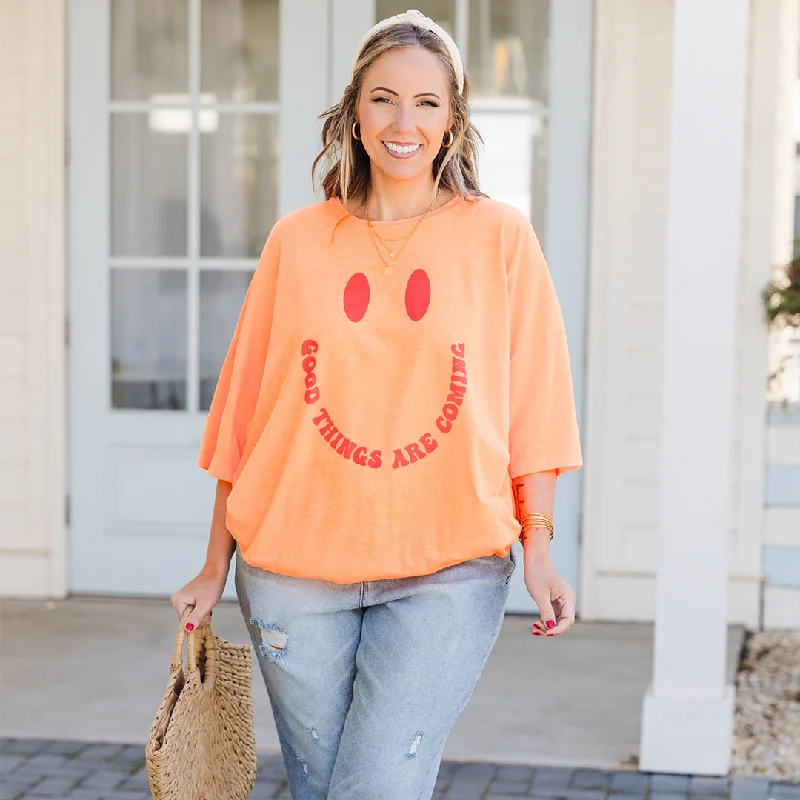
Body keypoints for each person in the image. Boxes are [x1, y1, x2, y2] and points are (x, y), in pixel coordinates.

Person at [171, 9, 582, 799]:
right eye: (384, 99)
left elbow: (537, 403)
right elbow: (248, 412)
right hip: (293, 573)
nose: (405, 123)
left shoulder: (498, 237)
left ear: (454, 119)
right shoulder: (297, 240)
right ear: (353, 112)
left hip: (449, 571)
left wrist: (539, 546)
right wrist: (213, 563)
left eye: (428, 103)